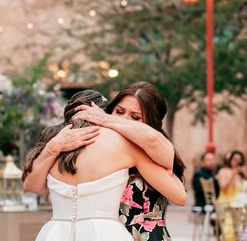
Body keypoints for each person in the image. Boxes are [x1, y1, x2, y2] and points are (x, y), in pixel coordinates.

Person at [23, 82, 186, 241]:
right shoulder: (69, 143)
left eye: (135, 118)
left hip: (142, 235)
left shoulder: (143, 147)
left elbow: (179, 195)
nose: (124, 120)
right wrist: (52, 148)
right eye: (119, 111)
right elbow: (32, 185)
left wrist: (107, 120)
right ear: (108, 110)